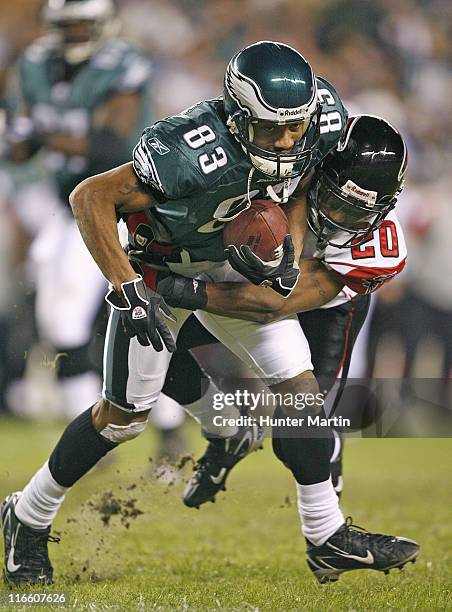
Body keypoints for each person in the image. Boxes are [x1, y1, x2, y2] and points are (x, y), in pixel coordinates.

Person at [1, 42, 417, 586]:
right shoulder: (191, 151)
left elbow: (303, 185)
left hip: (226, 268)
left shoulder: (321, 120)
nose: (288, 142)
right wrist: (127, 284)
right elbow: (90, 197)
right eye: (272, 131)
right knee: (123, 420)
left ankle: (327, 536)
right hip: (157, 271)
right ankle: (26, 517)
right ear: (239, 117)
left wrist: (285, 255)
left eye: (296, 129)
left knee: (301, 395)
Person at [4, 0, 152, 418]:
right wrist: (18, 138)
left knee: (96, 322)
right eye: (66, 26)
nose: (73, 34)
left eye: (81, 25)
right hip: (66, 209)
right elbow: (18, 148)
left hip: (119, 209)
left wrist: (38, 135)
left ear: (103, 24)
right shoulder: (35, 63)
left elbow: (108, 146)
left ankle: (155, 423)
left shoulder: (124, 63)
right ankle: (90, 423)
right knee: (57, 326)